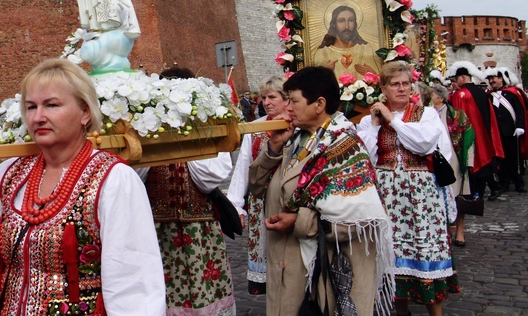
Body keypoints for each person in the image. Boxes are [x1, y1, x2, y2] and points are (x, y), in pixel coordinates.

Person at [0, 59, 166, 315]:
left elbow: (134, 284)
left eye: (51, 105)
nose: (38, 117)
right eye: (31, 107)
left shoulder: (113, 179)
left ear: (85, 112)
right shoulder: (9, 174)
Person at [250, 66, 394, 316]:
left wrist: (299, 220)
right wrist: (273, 148)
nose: (289, 108)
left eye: (294, 101)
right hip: (285, 265)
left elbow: (356, 219)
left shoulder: (344, 147)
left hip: (320, 275)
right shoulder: (294, 139)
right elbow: (255, 185)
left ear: (319, 104)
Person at [358, 61, 457, 316]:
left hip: (422, 195)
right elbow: (366, 156)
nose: (401, 89)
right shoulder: (372, 122)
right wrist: (377, 123)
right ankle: (400, 311)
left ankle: (435, 312)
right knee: (393, 253)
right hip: (388, 195)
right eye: (395, 84)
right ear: (384, 88)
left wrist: (393, 121)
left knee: (425, 248)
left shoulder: (425, 114)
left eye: (405, 83)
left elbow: (422, 144)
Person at [139, 66, 236, 314]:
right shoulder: (149, 127)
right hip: (158, 230)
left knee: (203, 287)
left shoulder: (206, 125)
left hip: (199, 229)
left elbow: (210, 178)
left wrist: (188, 138)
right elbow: (134, 175)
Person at [227, 75, 288, 295]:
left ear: (286, 98)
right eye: (263, 97)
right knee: (265, 253)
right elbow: (243, 165)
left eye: (272, 97)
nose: (266, 102)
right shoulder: (254, 127)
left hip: (286, 199)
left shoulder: (295, 124)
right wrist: (235, 203)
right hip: (259, 200)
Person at [448, 62, 504, 201]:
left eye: (456, 79)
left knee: (473, 162)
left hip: (470, 133)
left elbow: (458, 116)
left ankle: (482, 189)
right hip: (484, 131)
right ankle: (489, 187)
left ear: (462, 78)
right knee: (484, 159)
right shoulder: (481, 92)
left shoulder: (461, 94)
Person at [429, 84, 474, 247]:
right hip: (436, 159)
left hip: (455, 158)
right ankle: (444, 231)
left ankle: (460, 231)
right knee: (441, 196)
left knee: (459, 194)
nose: (429, 97)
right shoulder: (426, 114)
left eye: (432, 94)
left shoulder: (457, 115)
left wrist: (469, 161)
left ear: (440, 98)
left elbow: (469, 134)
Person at [485, 68, 527, 193]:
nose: (491, 81)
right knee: (501, 159)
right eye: (490, 79)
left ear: (501, 79)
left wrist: (520, 126)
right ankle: (504, 182)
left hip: (511, 131)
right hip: (497, 132)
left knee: (514, 158)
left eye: (494, 78)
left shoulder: (512, 93)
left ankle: (518, 182)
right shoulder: (489, 95)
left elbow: (520, 110)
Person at [313, 4, 381, 79]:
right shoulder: (323, 53)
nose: (347, 26)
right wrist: (323, 73)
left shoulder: (365, 49)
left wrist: (372, 73)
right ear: (334, 24)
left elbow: (381, 83)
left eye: (351, 20)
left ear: (355, 24)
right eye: (341, 21)